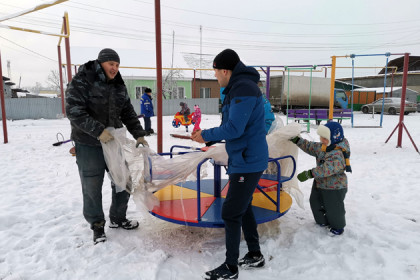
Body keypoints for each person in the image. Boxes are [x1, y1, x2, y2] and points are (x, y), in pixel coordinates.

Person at [191, 49, 268, 280]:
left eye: (215, 71)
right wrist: (209, 136)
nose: (215, 76)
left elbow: (235, 128)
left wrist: (206, 134)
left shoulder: (243, 88)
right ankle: (254, 254)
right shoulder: (239, 87)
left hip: (248, 160)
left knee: (231, 211)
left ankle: (231, 267)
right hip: (245, 157)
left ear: (225, 70)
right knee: (242, 207)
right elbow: (234, 125)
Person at [65, 48, 149, 245]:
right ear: (101, 62)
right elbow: (73, 110)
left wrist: (139, 134)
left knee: (123, 181)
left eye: (117, 65)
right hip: (88, 142)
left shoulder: (119, 85)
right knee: (92, 184)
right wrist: (97, 131)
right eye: (111, 64)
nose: (114, 68)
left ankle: (118, 218)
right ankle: (97, 225)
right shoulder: (83, 80)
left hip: (113, 141)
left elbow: (127, 111)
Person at [290, 121, 351, 236]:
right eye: (321, 137)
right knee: (315, 201)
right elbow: (311, 147)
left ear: (334, 138)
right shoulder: (325, 146)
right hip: (320, 182)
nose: (322, 140)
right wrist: (298, 141)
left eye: (325, 138)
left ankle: (337, 227)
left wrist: (309, 173)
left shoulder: (338, 153)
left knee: (334, 208)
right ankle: (322, 221)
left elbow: (327, 169)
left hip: (335, 186)